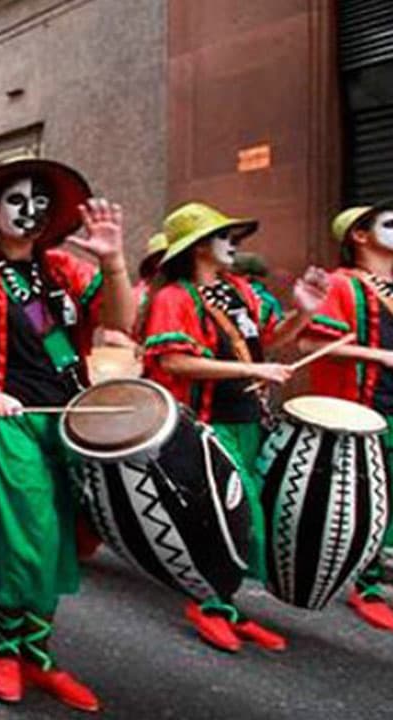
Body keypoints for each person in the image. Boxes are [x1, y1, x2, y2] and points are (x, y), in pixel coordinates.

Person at [0, 158, 135, 712]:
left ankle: (38, 653)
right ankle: (5, 647)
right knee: (27, 537)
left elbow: (122, 321)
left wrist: (113, 261)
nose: (30, 209)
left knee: (60, 540)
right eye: (16, 199)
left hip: (70, 421)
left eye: (39, 199)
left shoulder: (63, 270)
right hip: (9, 424)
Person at [140, 201, 327, 654]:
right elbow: (173, 361)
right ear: (199, 247)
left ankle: (225, 605)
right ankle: (209, 606)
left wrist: (303, 312)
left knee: (244, 520)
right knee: (236, 521)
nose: (233, 246)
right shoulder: (173, 298)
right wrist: (255, 372)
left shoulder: (242, 291)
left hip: (248, 423)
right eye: (224, 238)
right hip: (204, 429)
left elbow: (273, 337)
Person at [300, 202, 393, 630]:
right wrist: (381, 356)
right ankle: (367, 585)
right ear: (359, 235)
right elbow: (309, 346)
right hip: (365, 407)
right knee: (370, 499)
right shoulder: (340, 285)